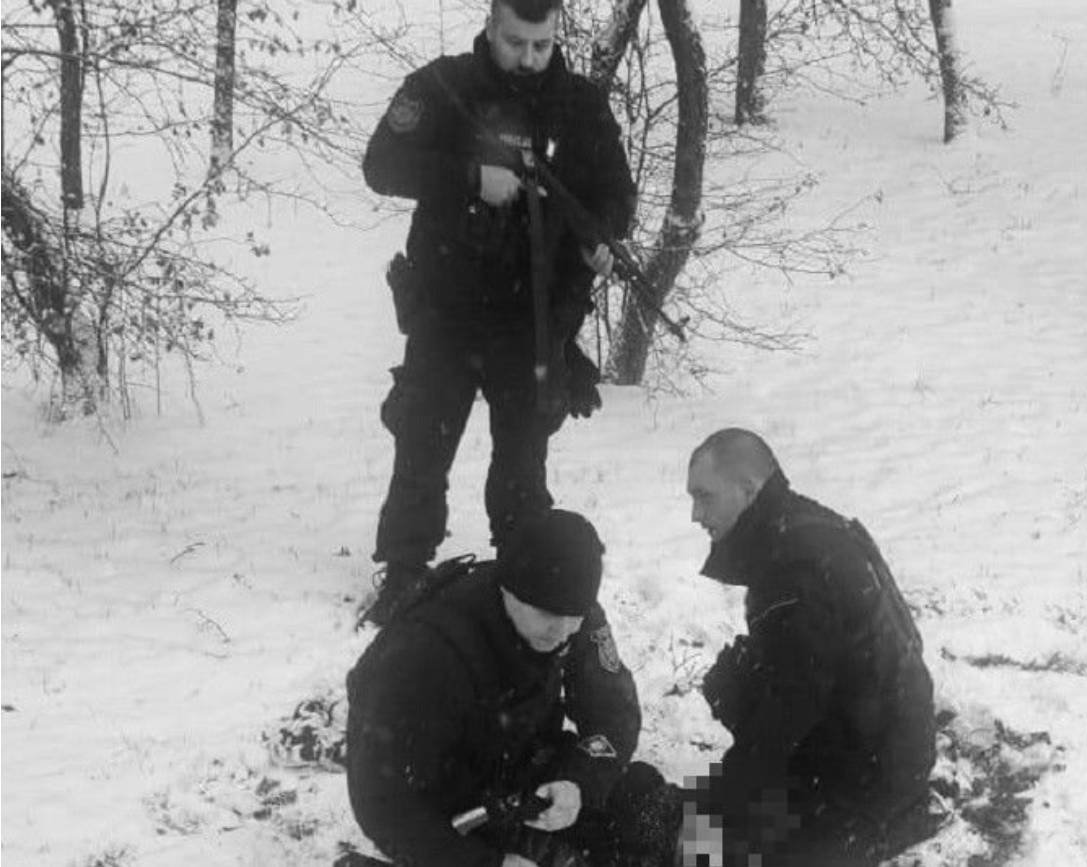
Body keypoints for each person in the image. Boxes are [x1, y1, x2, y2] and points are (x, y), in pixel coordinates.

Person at [362, 0, 637, 625]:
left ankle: (524, 569)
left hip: (533, 318)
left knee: (522, 461)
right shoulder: (443, 86)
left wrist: (598, 236)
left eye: (541, 45)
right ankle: (404, 571)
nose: (529, 58)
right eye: (515, 42)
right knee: (422, 442)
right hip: (446, 309)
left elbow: (617, 198)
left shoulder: (579, 106)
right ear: (491, 27)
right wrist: (469, 176)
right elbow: (382, 165)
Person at [345, 509, 674, 867]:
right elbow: (381, 802)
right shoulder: (425, 652)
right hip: (453, 816)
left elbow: (614, 712)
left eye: (575, 617)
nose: (563, 631)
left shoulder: (570, 607)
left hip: (529, 778)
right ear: (507, 589)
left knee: (656, 814)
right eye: (548, 615)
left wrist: (579, 784)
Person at [681, 429, 938, 866]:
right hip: (893, 736)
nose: (695, 514)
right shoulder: (807, 525)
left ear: (748, 489)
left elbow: (790, 709)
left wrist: (722, 806)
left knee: (706, 848)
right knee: (734, 679)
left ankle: (873, 824)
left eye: (704, 497)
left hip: (872, 774)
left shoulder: (793, 569)